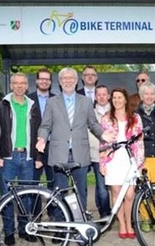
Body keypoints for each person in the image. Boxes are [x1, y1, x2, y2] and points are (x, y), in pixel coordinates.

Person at [35, 67, 115, 223]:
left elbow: (92, 123)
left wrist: (103, 134)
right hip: (59, 153)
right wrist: (42, 138)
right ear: (59, 82)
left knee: (81, 192)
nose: (68, 81)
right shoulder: (52, 102)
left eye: (71, 78)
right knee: (58, 192)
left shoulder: (85, 101)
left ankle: (80, 225)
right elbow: (45, 125)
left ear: (77, 81)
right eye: (65, 78)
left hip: (80, 152)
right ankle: (60, 227)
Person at [0, 72, 43, 246]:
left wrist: (38, 156)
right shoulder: (1, 106)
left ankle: (23, 230)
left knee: (26, 197)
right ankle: (8, 232)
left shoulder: (33, 106)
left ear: (27, 86)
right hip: (8, 157)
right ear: (11, 85)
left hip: (28, 157)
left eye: (23, 83)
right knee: (6, 196)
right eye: (16, 83)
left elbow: (40, 133)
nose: (19, 86)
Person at [99, 88, 144, 239]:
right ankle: (123, 225)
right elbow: (103, 143)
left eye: (120, 97)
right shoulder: (106, 119)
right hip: (113, 159)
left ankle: (130, 222)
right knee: (117, 193)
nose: (117, 100)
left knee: (130, 194)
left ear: (125, 99)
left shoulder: (135, 117)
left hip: (130, 159)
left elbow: (140, 141)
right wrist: (102, 162)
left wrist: (140, 162)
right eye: (114, 98)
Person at [135, 81, 155, 233]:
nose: (149, 96)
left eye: (151, 94)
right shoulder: (135, 115)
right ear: (141, 96)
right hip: (142, 156)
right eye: (146, 94)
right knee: (142, 188)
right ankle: (145, 218)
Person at [27, 68, 56, 189]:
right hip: (34, 145)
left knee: (54, 182)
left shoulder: (57, 100)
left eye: (47, 79)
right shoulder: (28, 100)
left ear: (50, 82)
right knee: (33, 182)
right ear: (37, 81)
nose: (44, 81)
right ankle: (35, 208)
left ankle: (54, 208)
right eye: (42, 79)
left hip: (53, 146)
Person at [88, 85, 111, 218]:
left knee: (114, 186)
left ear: (108, 96)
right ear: (95, 97)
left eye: (104, 94)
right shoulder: (90, 113)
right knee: (101, 187)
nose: (102, 97)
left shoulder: (115, 111)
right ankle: (104, 214)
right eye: (99, 94)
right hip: (97, 154)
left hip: (114, 155)